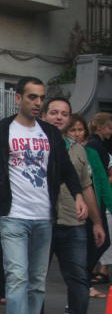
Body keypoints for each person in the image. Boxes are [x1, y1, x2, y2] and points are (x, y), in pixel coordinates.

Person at [0, 76, 87, 314]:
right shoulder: (1, 131)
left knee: (37, 283)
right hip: (12, 217)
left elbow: (66, 170)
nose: (37, 103)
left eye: (40, 98)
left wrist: (78, 195)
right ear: (18, 98)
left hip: (44, 218)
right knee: (18, 278)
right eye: (32, 97)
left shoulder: (49, 132)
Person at [39, 97, 102, 314]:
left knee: (79, 279)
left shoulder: (77, 149)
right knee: (36, 279)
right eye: (53, 112)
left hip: (73, 222)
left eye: (64, 113)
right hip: (40, 221)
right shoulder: (35, 145)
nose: (58, 117)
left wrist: (97, 222)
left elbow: (86, 187)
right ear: (43, 115)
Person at [65, 113, 112, 298]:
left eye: (79, 129)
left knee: (103, 241)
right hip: (73, 207)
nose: (77, 133)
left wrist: (109, 203)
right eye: (73, 130)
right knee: (80, 247)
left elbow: (101, 180)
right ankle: (80, 284)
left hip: (95, 204)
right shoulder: (64, 151)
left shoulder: (91, 152)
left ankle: (82, 279)